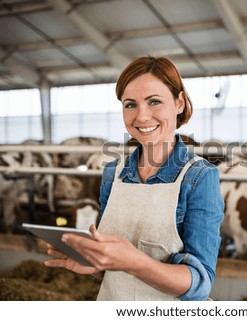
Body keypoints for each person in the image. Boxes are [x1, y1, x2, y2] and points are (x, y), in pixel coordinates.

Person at [44, 56, 225, 301]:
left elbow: (200, 284)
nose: (141, 117)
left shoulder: (199, 176)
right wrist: (94, 263)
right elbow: (113, 260)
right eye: (130, 104)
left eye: (154, 102)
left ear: (179, 103)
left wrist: (134, 263)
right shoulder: (112, 173)